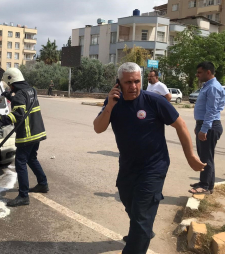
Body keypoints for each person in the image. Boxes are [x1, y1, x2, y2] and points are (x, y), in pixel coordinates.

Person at [93, 62, 206, 254]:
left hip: (154, 166)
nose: (134, 86)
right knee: (130, 204)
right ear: (118, 83)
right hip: (128, 166)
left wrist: (190, 156)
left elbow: (181, 125)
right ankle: (143, 231)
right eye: (128, 82)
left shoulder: (154, 101)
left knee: (141, 216)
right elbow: (98, 127)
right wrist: (109, 106)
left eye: (137, 81)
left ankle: (138, 238)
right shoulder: (113, 102)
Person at [0, 68, 49, 207]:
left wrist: (1, 121)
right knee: (32, 158)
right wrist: (10, 97)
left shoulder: (19, 95)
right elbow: (24, 103)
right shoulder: (31, 90)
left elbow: (18, 114)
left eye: (8, 84)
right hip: (38, 132)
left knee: (20, 162)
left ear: (11, 81)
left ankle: (23, 196)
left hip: (27, 135)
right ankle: (43, 184)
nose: (9, 87)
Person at [189, 62, 225, 195]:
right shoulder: (208, 86)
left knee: (205, 158)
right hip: (204, 124)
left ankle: (204, 185)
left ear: (208, 72)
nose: (197, 75)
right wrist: (198, 126)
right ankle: (208, 184)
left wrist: (204, 129)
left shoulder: (213, 88)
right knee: (206, 156)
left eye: (199, 72)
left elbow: (211, 110)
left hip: (209, 126)